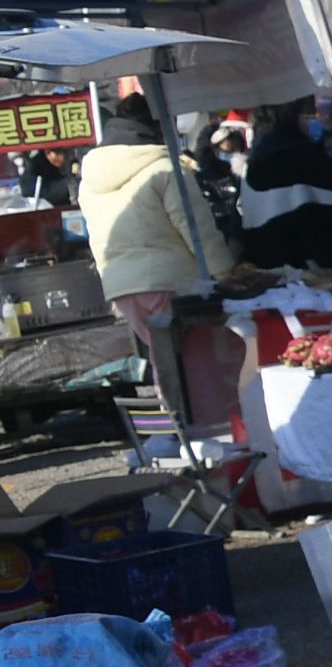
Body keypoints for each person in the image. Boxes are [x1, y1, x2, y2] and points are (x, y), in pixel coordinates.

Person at [77, 93, 237, 429]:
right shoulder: (166, 168)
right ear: (156, 125)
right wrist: (225, 273)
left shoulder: (90, 179)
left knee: (165, 361)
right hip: (172, 281)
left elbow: (96, 238)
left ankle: (177, 431)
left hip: (122, 287)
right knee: (195, 363)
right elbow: (196, 229)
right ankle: (210, 434)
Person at [237, 94, 332, 273]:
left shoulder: (251, 164)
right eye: (309, 113)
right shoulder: (305, 158)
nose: (314, 119)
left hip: (271, 269)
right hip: (323, 269)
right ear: (292, 116)